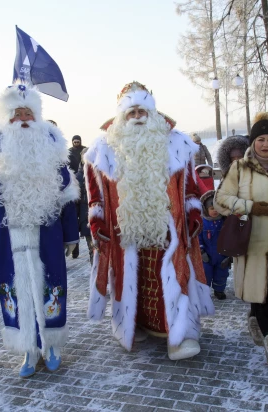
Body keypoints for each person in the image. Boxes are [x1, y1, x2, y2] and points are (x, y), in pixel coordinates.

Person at [84, 81, 214, 360]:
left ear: (153, 113)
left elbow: (190, 188)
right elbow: (95, 195)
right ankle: (136, 324)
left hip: (168, 229)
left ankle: (179, 335)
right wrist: (97, 221)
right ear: (121, 117)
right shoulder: (103, 150)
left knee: (172, 277)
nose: (137, 117)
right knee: (132, 277)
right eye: (130, 113)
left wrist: (192, 214)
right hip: (125, 230)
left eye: (142, 111)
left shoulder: (178, 144)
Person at [0, 81, 79, 377]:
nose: (23, 119)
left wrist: (70, 236)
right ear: (6, 119)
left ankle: (51, 344)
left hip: (47, 236)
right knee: (16, 290)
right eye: (16, 114)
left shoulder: (52, 154)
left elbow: (67, 199)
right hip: (8, 238)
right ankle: (28, 350)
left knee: (51, 286)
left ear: (38, 117)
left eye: (28, 113)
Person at [214, 112, 268, 369]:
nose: (266, 144)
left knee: (267, 292)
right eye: (260, 138)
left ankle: (254, 317)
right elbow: (220, 200)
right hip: (252, 243)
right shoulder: (239, 168)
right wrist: (249, 206)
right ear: (253, 141)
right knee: (266, 294)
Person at [198, 190, 230, 300]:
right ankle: (205, 292)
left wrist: (228, 254)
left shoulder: (225, 221)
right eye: (212, 209)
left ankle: (219, 290)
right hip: (207, 255)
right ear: (206, 210)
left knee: (221, 274)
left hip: (221, 254)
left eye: (217, 208)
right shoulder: (202, 222)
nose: (215, 211)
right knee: (206, 274)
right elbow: (199, 238)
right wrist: (201, 251)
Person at [75, 147, 94, 264]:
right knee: (92, 247)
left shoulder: (99, 174)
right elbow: (76, 202)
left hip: (98, 215)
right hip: (84, 215)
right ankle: (95, 272)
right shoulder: (78, 177)